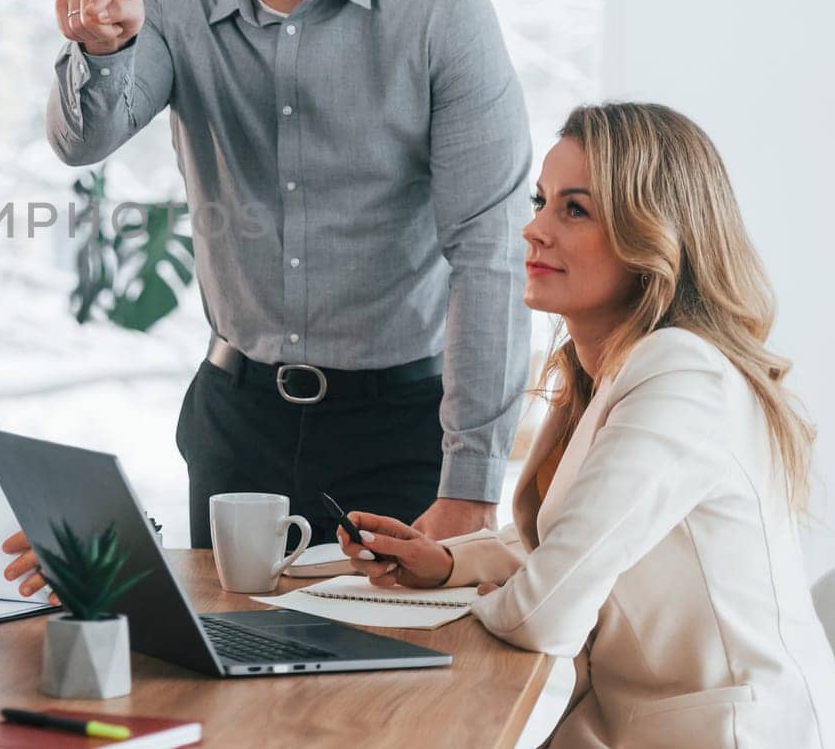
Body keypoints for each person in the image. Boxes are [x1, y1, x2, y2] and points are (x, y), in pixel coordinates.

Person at [41, 0, 532, 548]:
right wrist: (101, 49)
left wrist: (473, 486)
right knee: (219, 668)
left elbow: (490, 254)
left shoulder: (443, 16)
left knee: (392, 678)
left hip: (401, 433)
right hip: (236, 424)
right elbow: (80, 139)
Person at [338, 103, 835, 747]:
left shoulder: (680, 373)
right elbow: (572, 541)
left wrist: (495, 594)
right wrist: (442, 564)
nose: (533, 230)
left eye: (574, 209)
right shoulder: (607, 367)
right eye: (540, 201)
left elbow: (545, 612)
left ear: (651, 236)